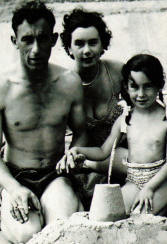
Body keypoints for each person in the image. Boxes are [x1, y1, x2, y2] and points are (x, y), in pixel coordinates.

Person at [0, 1, 86, 244]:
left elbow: (81, 133)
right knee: (28, 235)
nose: (36, 49)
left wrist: (74, 153)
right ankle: (3, 229)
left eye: (42, 39)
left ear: (53, 39)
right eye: (27, 39)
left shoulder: (69, 82)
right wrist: (12, 188)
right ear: (14, 41)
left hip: (55, 174)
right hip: (16, 176)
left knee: (61, 230)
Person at [66, 54, 167, 215]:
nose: (141, 94)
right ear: (126, 87)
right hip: (133, 180)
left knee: (140, 217)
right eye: (134, 86)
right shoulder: (125, 118)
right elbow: (102, 152)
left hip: (160, 182)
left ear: (159, 86)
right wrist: (78, 150)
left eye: (147, 86)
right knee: (113, 214)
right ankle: (160, 207)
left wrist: (149, 188)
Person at [58, 8, 128, 209]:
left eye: (93, 42)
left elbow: (144, 104)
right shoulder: (63, 84)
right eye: (79, 44)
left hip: (119, 148)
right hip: (83, 153)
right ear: (69, 48)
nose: (86, 50)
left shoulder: (117, 72)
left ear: (102, 45)